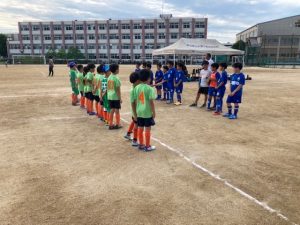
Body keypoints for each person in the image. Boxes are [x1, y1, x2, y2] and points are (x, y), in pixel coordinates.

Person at [132, 69, 156, 152]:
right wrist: (153, 112)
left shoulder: (136, 88)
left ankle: (141, 144)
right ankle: (147, 146)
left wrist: (135, 113)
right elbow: (151, 101)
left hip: (139, 112)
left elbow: (135, 101)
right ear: (148, 78)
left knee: (140, 128)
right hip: (147, 112)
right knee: (147, 129)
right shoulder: (149, 88)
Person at [124, 72, 140, 147]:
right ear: (137, 81)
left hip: (135, 110)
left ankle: (128, 133)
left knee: (134, 121)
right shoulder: (134, 90)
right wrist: (136, 113)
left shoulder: (135, 87)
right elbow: (133, 103)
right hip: (136, 110)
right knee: (136, 123)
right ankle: (135, 140)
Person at [107, 63, 122, 130]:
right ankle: (118, 124)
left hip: (110, 96)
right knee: (117, 110)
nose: (119, 70)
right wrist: (120, 98)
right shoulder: (116, 78)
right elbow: (118, 90)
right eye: (118, 69)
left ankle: (110, 124)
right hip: (115, 97)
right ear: (116, 70)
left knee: (111, 110)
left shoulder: (109, 77)